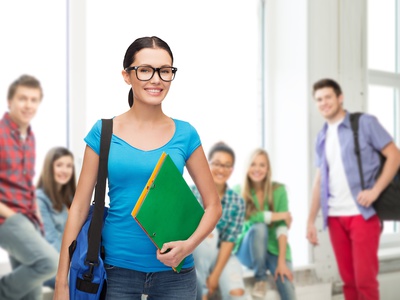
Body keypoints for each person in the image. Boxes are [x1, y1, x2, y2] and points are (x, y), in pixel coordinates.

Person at [53, 36, 222, 300]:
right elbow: (78, 208)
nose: (156, 79)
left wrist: (188, 246)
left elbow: (213, 206)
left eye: (165, 71)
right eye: (145, 70)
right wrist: (61, 282)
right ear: (127, 75)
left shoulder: (186, 134)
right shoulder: (103, 132)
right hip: (115, 272)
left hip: (176, 277)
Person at [306, 78, 400, 300]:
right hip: (335, 217)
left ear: (340, 98)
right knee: (348, 282)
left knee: (365, 282)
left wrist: (375, 191)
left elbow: (394, 156)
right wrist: (311, 220)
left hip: (363, 214)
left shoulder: (364, 123)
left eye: (328, 97)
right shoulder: (321, 137)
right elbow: (319, 181)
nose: (324, 103)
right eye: (319, 99)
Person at [0, 75, 59, 300]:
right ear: (10, 101)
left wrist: (35, 211)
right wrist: (13, 215)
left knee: (30, 293)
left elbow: (24, 182)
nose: (28, 105)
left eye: (34, 100)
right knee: (49, 263)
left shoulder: (29, 136)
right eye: (23, 98)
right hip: (7, 218)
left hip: (26, 218)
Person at [234, 148, 296, 300]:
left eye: (262, 165)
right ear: (247, 167)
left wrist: (281, 261)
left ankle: (275, 267)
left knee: (287, 285)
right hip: (247, 250)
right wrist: (278, 215)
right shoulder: (238, 191)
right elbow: (248, 218)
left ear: (268, 169)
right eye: (253, 164)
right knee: (259, 228)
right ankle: (260, 279)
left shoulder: (279, 190)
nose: (257, 169)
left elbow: (282, 227)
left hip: (273, 249)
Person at [192, 141, 246, 300]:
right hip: (196, 253)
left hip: (222, 255)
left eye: (227, 165)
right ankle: (201, 291)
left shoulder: (237, 202)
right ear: (208, 164)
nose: (221, 170)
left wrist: (215, 276)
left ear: (232, 169)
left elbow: (229, 241)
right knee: (210, 232)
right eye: (216, 163)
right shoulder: (193, 193)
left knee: (237, 292)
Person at [36, 146, 76, 288]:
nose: (64, 170)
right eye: (59, 165)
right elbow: (51, 240)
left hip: (70, 261)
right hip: (51, 265)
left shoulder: (71, 198)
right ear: (49, 168)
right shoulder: (39, 199)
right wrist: (70, 266)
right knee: (79, 283)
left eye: (68, 166)